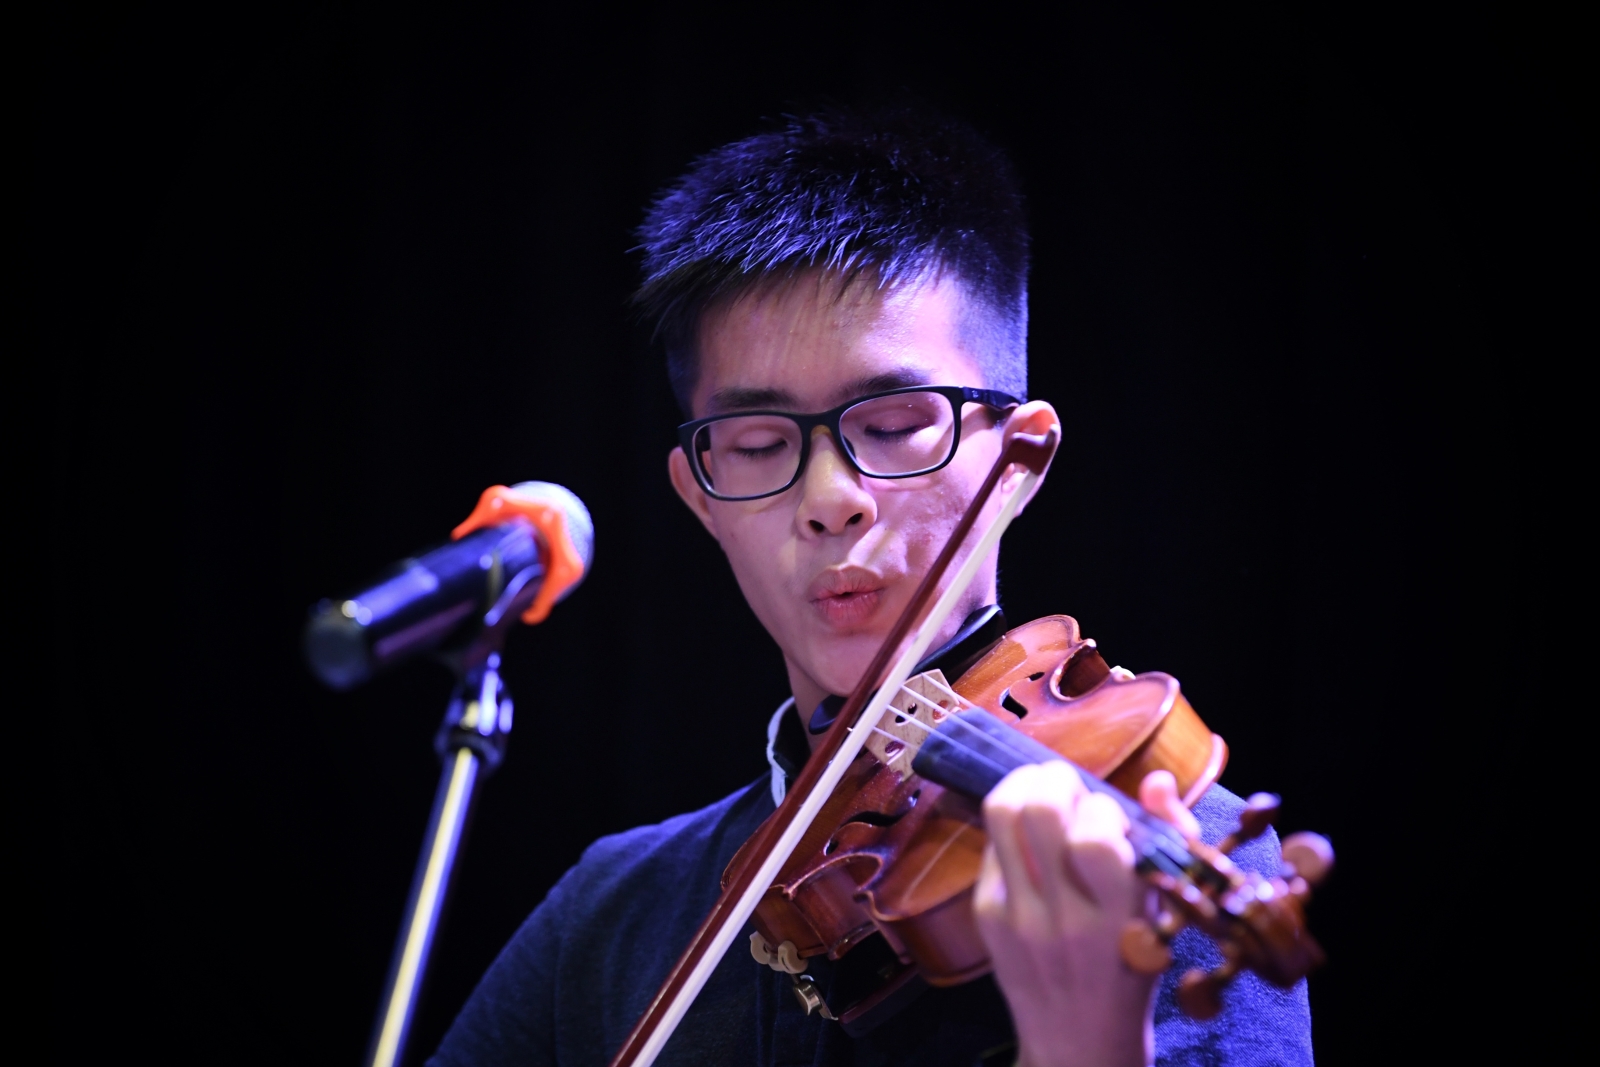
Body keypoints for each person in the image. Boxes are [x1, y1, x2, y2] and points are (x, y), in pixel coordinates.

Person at [429, 110, 1312, 1067]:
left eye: (894, 424)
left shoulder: (1158, 845)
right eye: (762, 446)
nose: (829, 499)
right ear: (700, 496)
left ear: (1021, 459)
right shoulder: (611, 913)